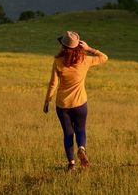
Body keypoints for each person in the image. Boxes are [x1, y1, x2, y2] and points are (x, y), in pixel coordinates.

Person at [43, 31, 108, 171]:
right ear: (78, 46)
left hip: (63, 105)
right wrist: (89, 49)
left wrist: (47, 101)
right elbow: (104, 57)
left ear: (63, 46)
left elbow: (53, 84)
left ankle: (71, 164)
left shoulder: (58, 62)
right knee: (80, 129)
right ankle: (82, 149)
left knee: (68, 133)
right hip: (80, 103)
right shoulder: (85, 60)